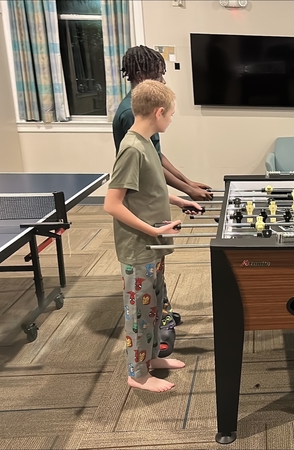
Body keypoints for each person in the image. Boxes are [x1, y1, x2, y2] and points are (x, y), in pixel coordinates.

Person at [104, 80, 200, 392]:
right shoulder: (131, 149)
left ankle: (151, 359)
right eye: (171, 114)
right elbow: (113, 203)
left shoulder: (146, 143)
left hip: (154, 244)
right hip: (139, 247)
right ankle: (137, 374)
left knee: (156, 305)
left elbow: (148, 191)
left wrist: (179, 200)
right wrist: (153, 230)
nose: (171, 119)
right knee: (139, 314)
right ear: (158, 113)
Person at [114, 45, 213, 202]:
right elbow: (150, 163)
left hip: (152, 187)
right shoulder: (132, 113)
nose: (164, 81)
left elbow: (156, 155)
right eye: (158, 76)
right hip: (140, 193)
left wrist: (188, 182)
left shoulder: (143, 106)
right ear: (140, 76)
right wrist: (188, 190)